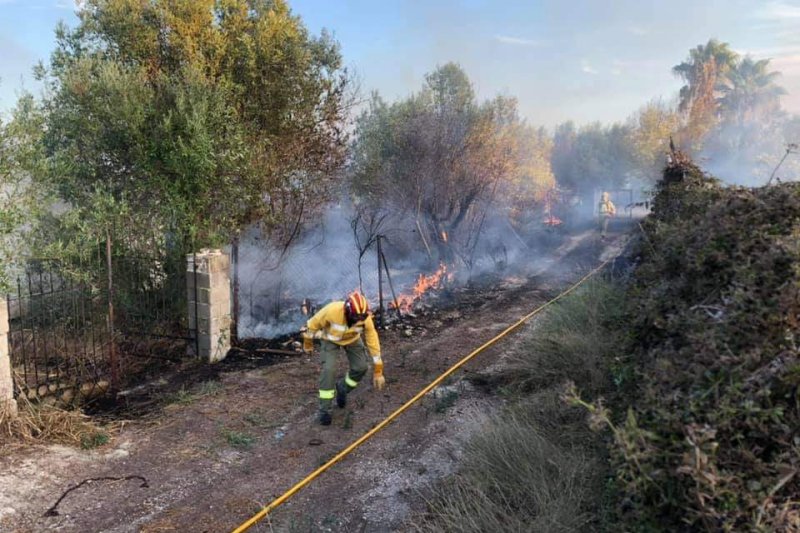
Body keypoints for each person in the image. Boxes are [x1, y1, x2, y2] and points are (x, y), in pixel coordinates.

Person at [303, 292, 385, 426]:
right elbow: (312, 325)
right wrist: (308, 343)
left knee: (361, 367)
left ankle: (343, 388)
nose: (358, 320)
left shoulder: (365, 318)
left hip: (352, 339)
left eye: (361, 317)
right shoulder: (332, 310)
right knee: (328, 370)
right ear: (347, 310)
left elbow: (372, 338)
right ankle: (325, 410)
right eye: (355, 317)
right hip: (330, 340)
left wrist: (378, 368)